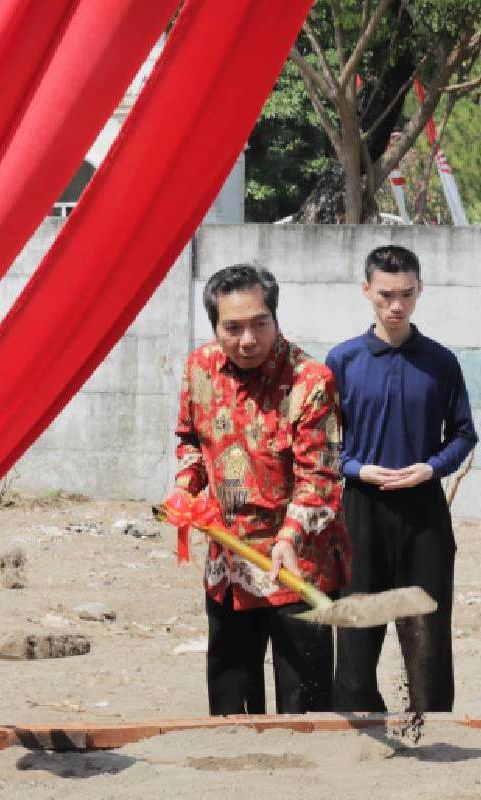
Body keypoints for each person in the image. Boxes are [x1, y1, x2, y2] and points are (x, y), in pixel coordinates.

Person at [168, 264, 348, 715]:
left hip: (297, 564)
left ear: (275, 317)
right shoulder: (200, 369)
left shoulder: (310, 380)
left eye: (259, 324)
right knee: (231, 701)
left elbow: (320, 477)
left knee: (303, 703)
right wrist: (185, 489)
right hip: (228, 562)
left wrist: (289, 539)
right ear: (215, 326)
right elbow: (190, 441)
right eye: (233, 328)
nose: (247, 340)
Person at [329, 245, 477, 713]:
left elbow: (464, 434)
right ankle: (359, 722)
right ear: (366, 291)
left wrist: (431, 467)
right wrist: (355, 468)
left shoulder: (440, 362)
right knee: (357, 626)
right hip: (360, 508)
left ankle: (430, 723)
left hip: (424, 510)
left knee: (426, 625)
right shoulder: (342, 361)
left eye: (407, 294)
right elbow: (322, 443)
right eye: (386, 295)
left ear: (420, 291)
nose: (396, 306)